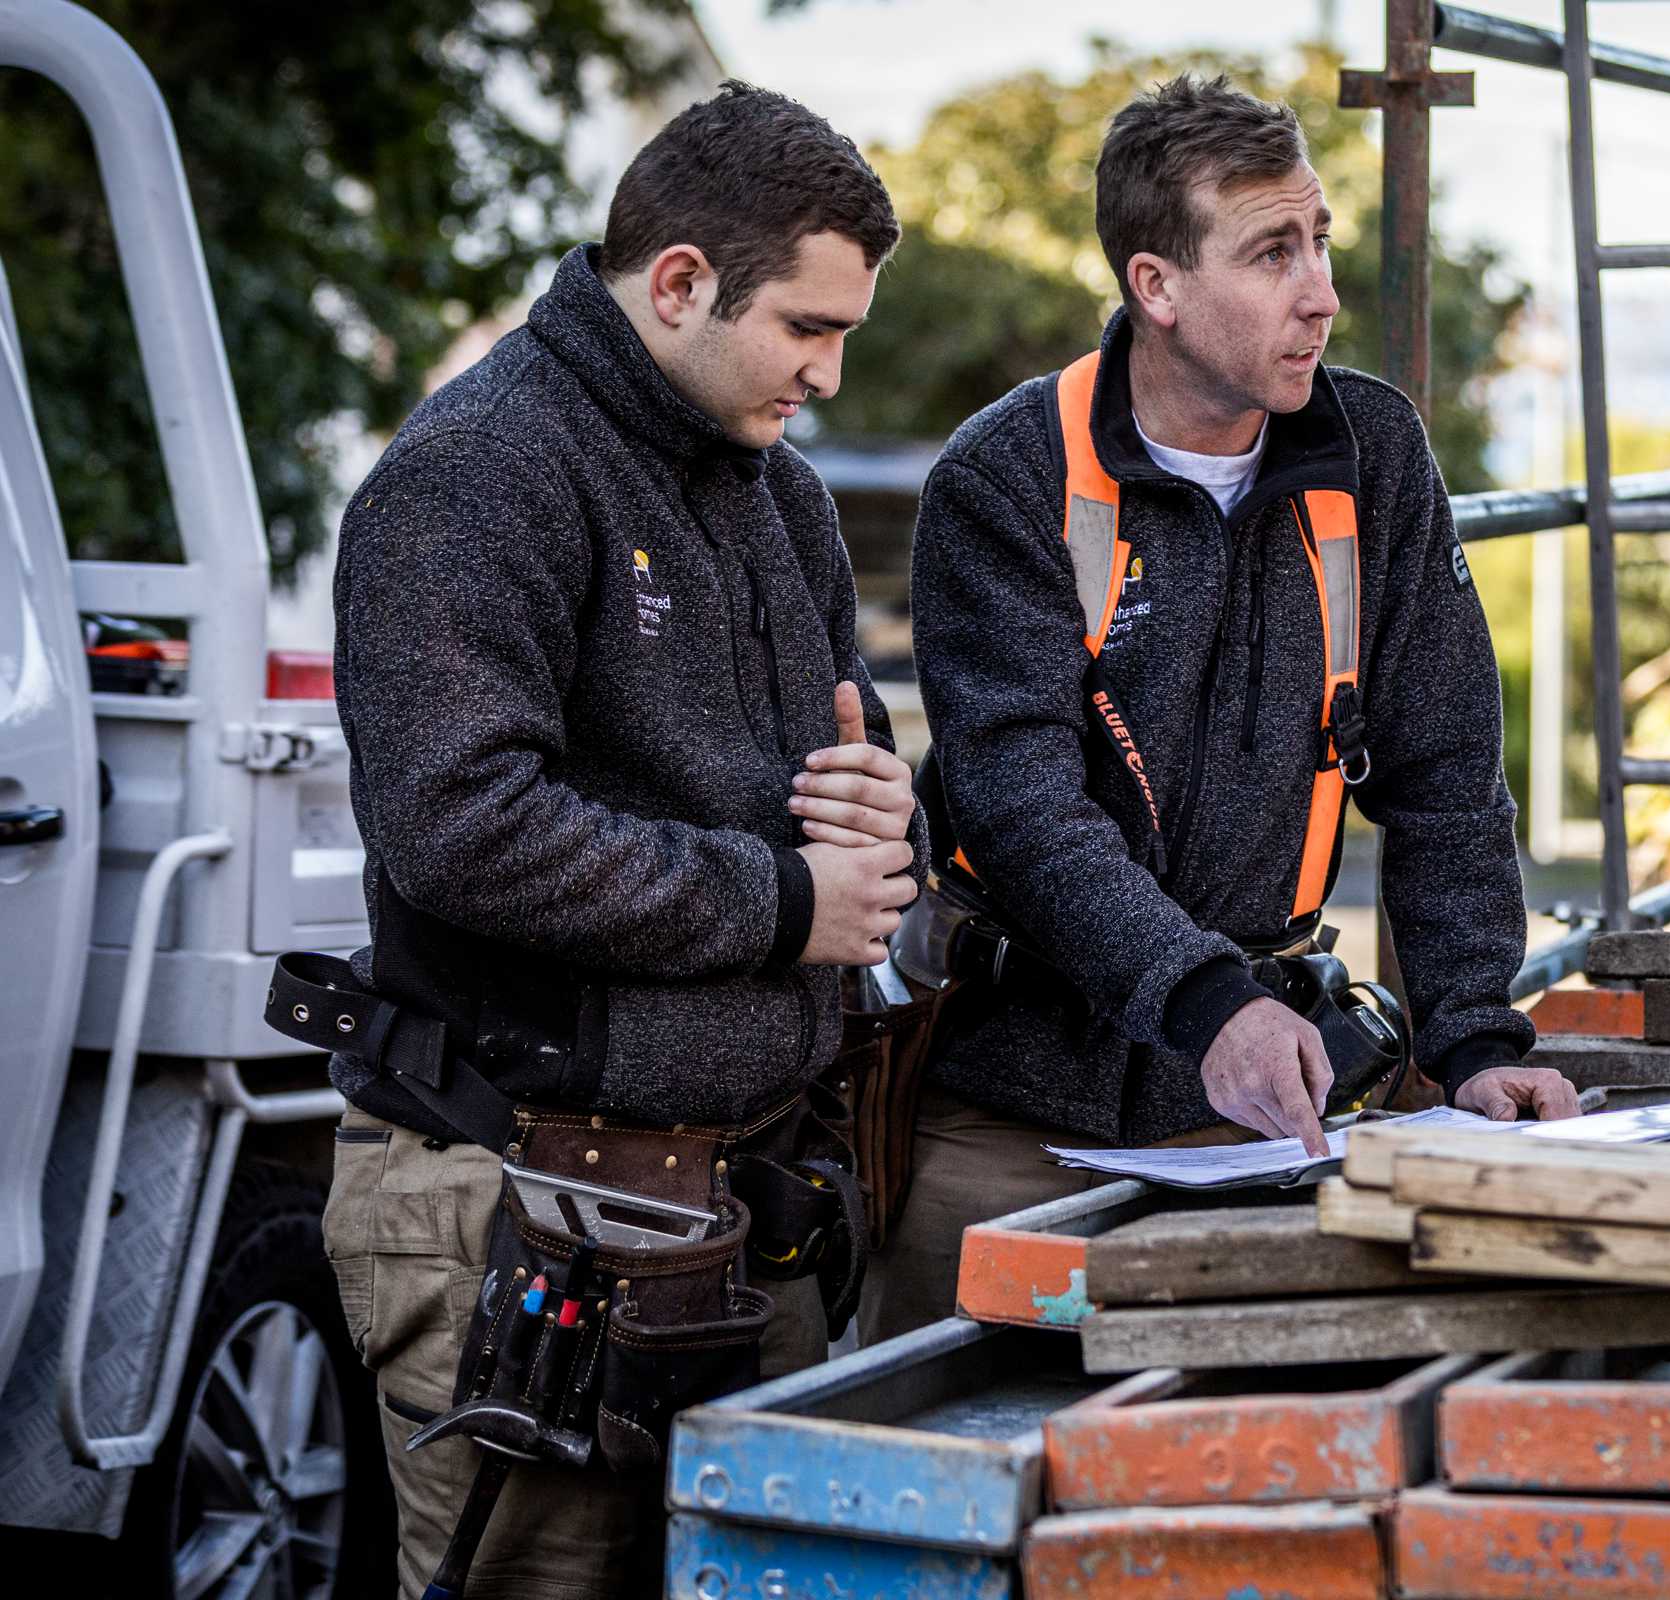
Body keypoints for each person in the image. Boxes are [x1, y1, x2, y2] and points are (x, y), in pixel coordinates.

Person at [317, 82, 923, 1598]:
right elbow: (459, 825)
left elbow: (828, 757)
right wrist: (787, 903)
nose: (828, 376)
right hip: (523, 1216)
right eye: (807, 328)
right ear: (677, 284)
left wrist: (875, 798)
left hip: (743, 1221)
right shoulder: (476, 473)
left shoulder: (774, 494)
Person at [865, 74, 1574, 1343]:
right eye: (1272, 252)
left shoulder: (1376, 456)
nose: (1322, 291)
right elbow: (1017, 803)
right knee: (964, 1458)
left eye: (1320, 242)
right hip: (1014, 1117)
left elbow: (1447, 769)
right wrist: (1203, 1004)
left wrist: (1472, 1038)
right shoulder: (1009, 477)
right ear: (1157, 286)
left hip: (1258, 1115)